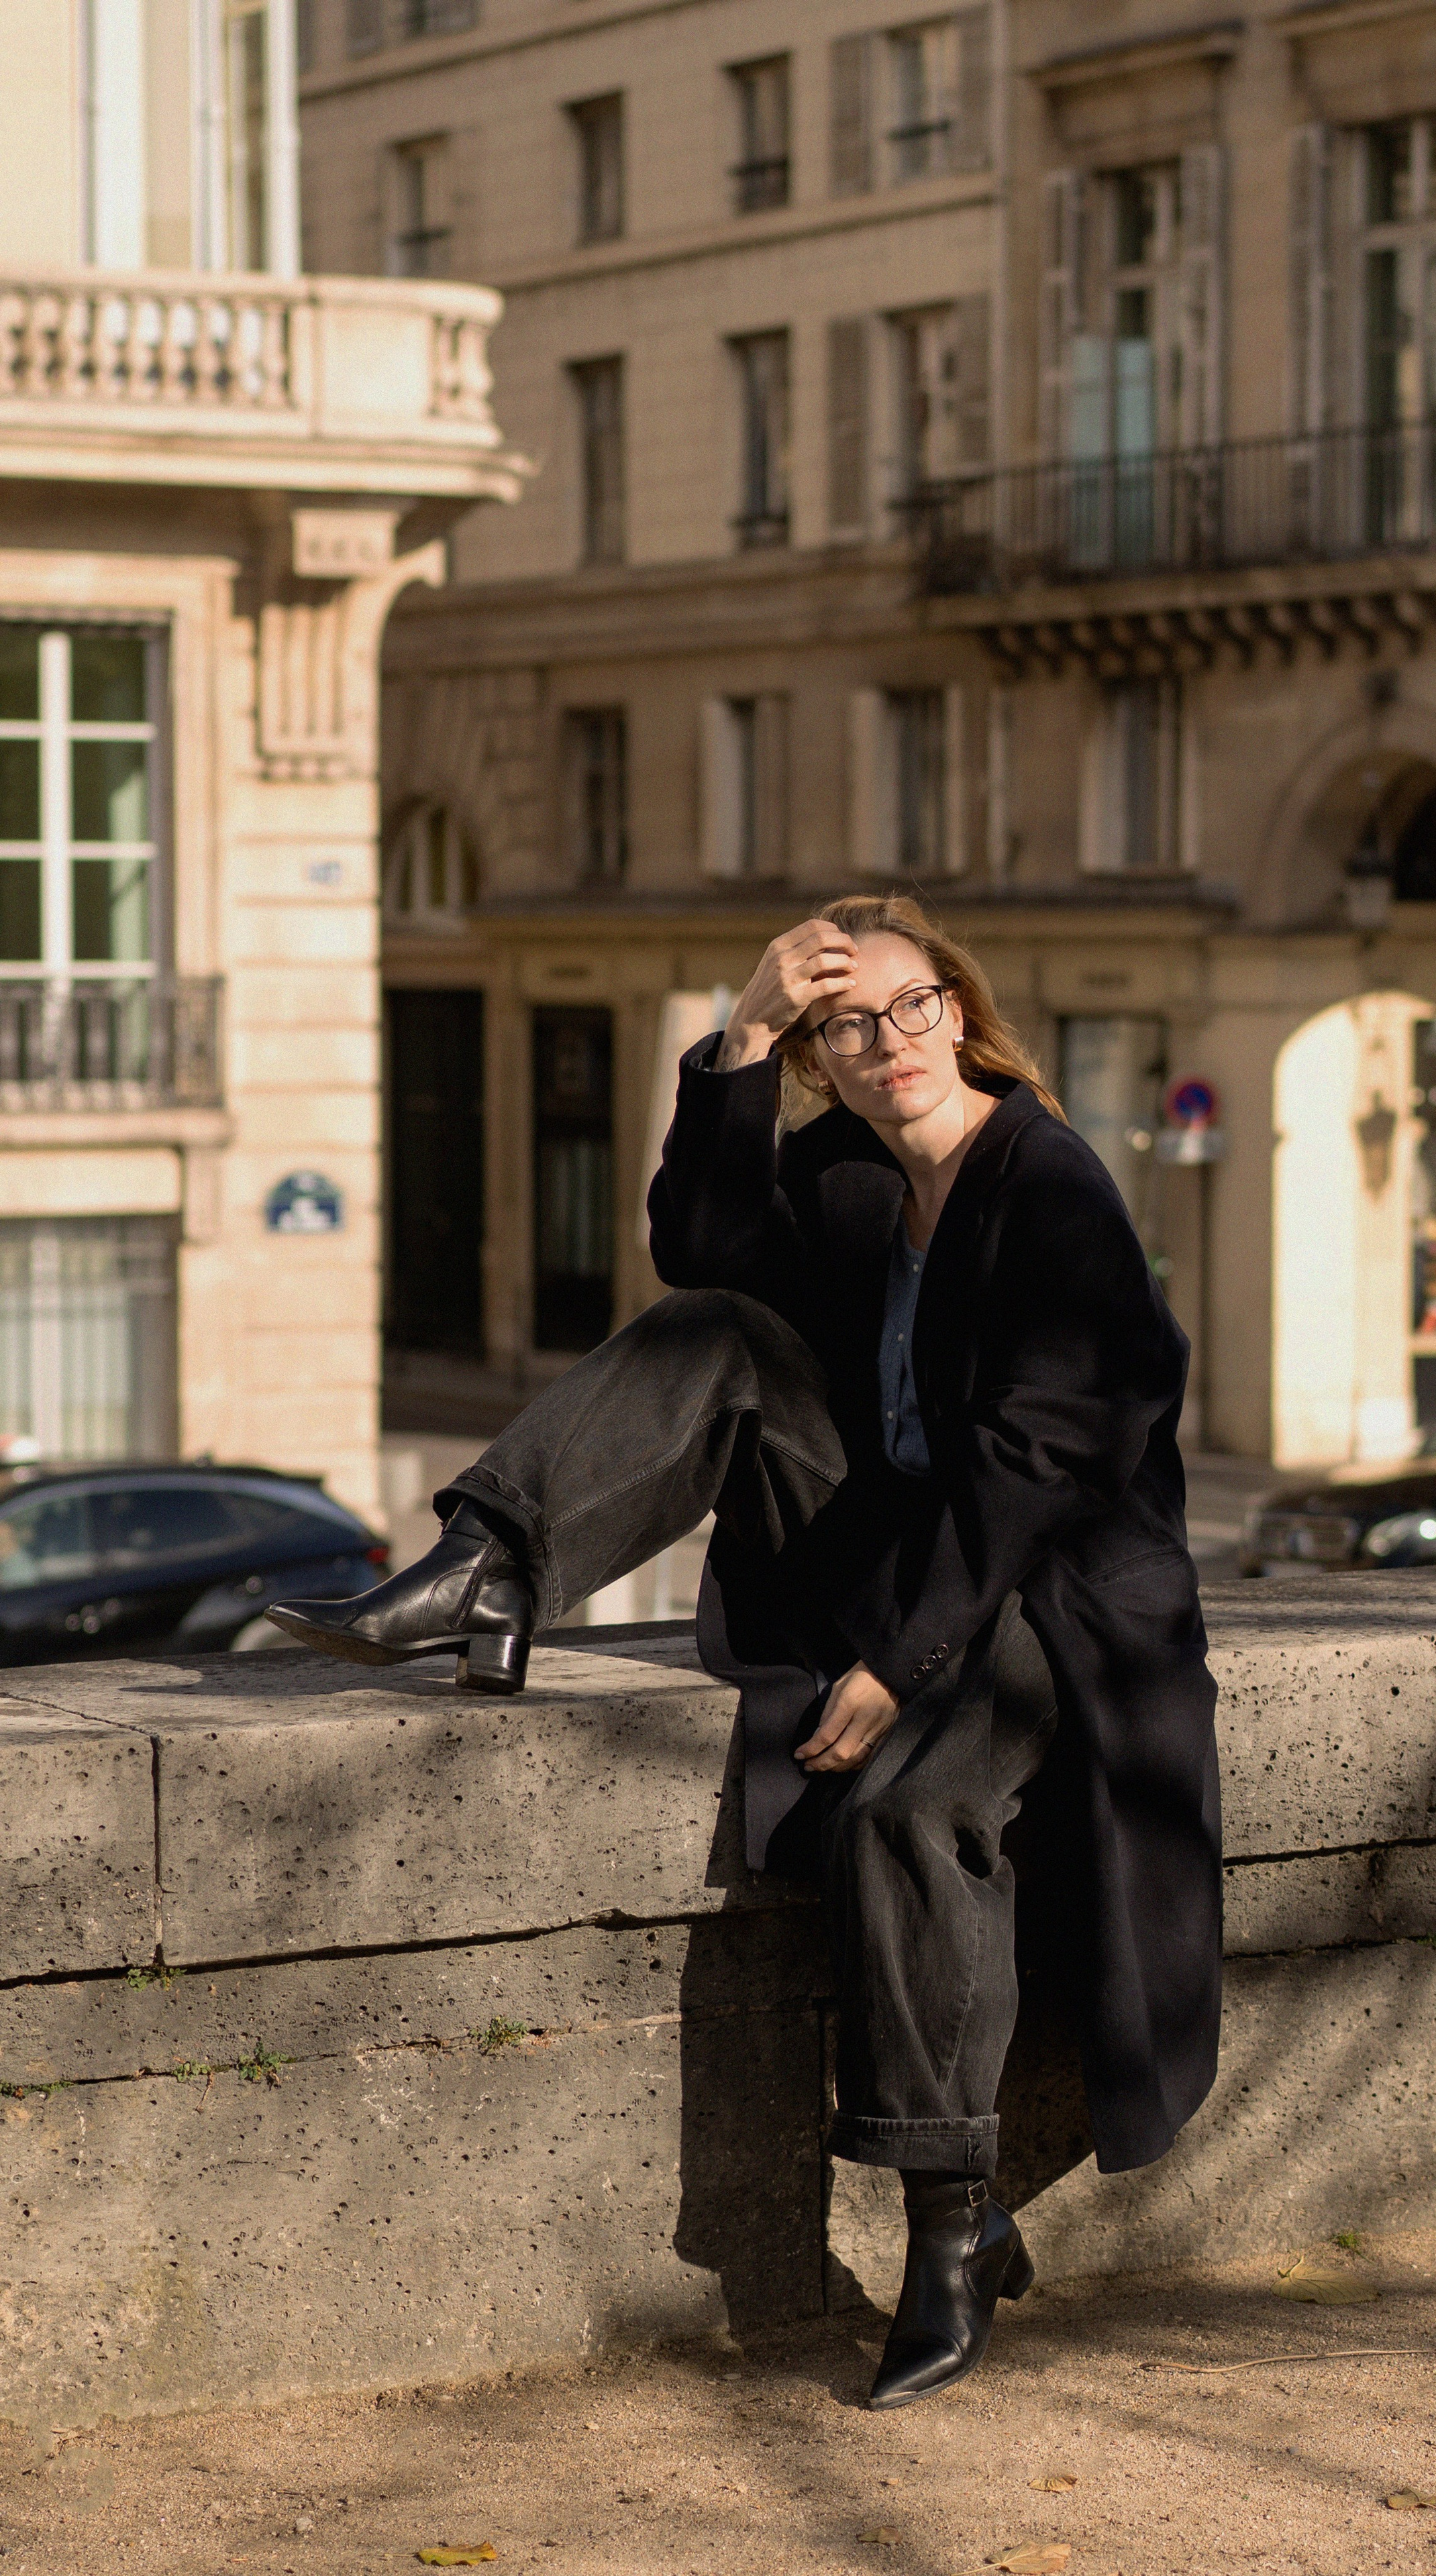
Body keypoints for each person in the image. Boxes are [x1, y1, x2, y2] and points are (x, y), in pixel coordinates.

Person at [270, 894, 1222, 2411]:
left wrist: (902, 1662)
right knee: (717, 1333)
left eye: (908, 1010)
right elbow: (696, 1250)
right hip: (908, 1557)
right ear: (825, 1060)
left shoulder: (1050, 1185)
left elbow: (1039, 1466)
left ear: (957, 1017)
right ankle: (489, 1564)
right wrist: (743, 1028)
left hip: (1052, 1596)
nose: (887, 1045)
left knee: (906, 1809)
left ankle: (947, 2229)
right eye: (846, 1028)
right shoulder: (849, 1177)